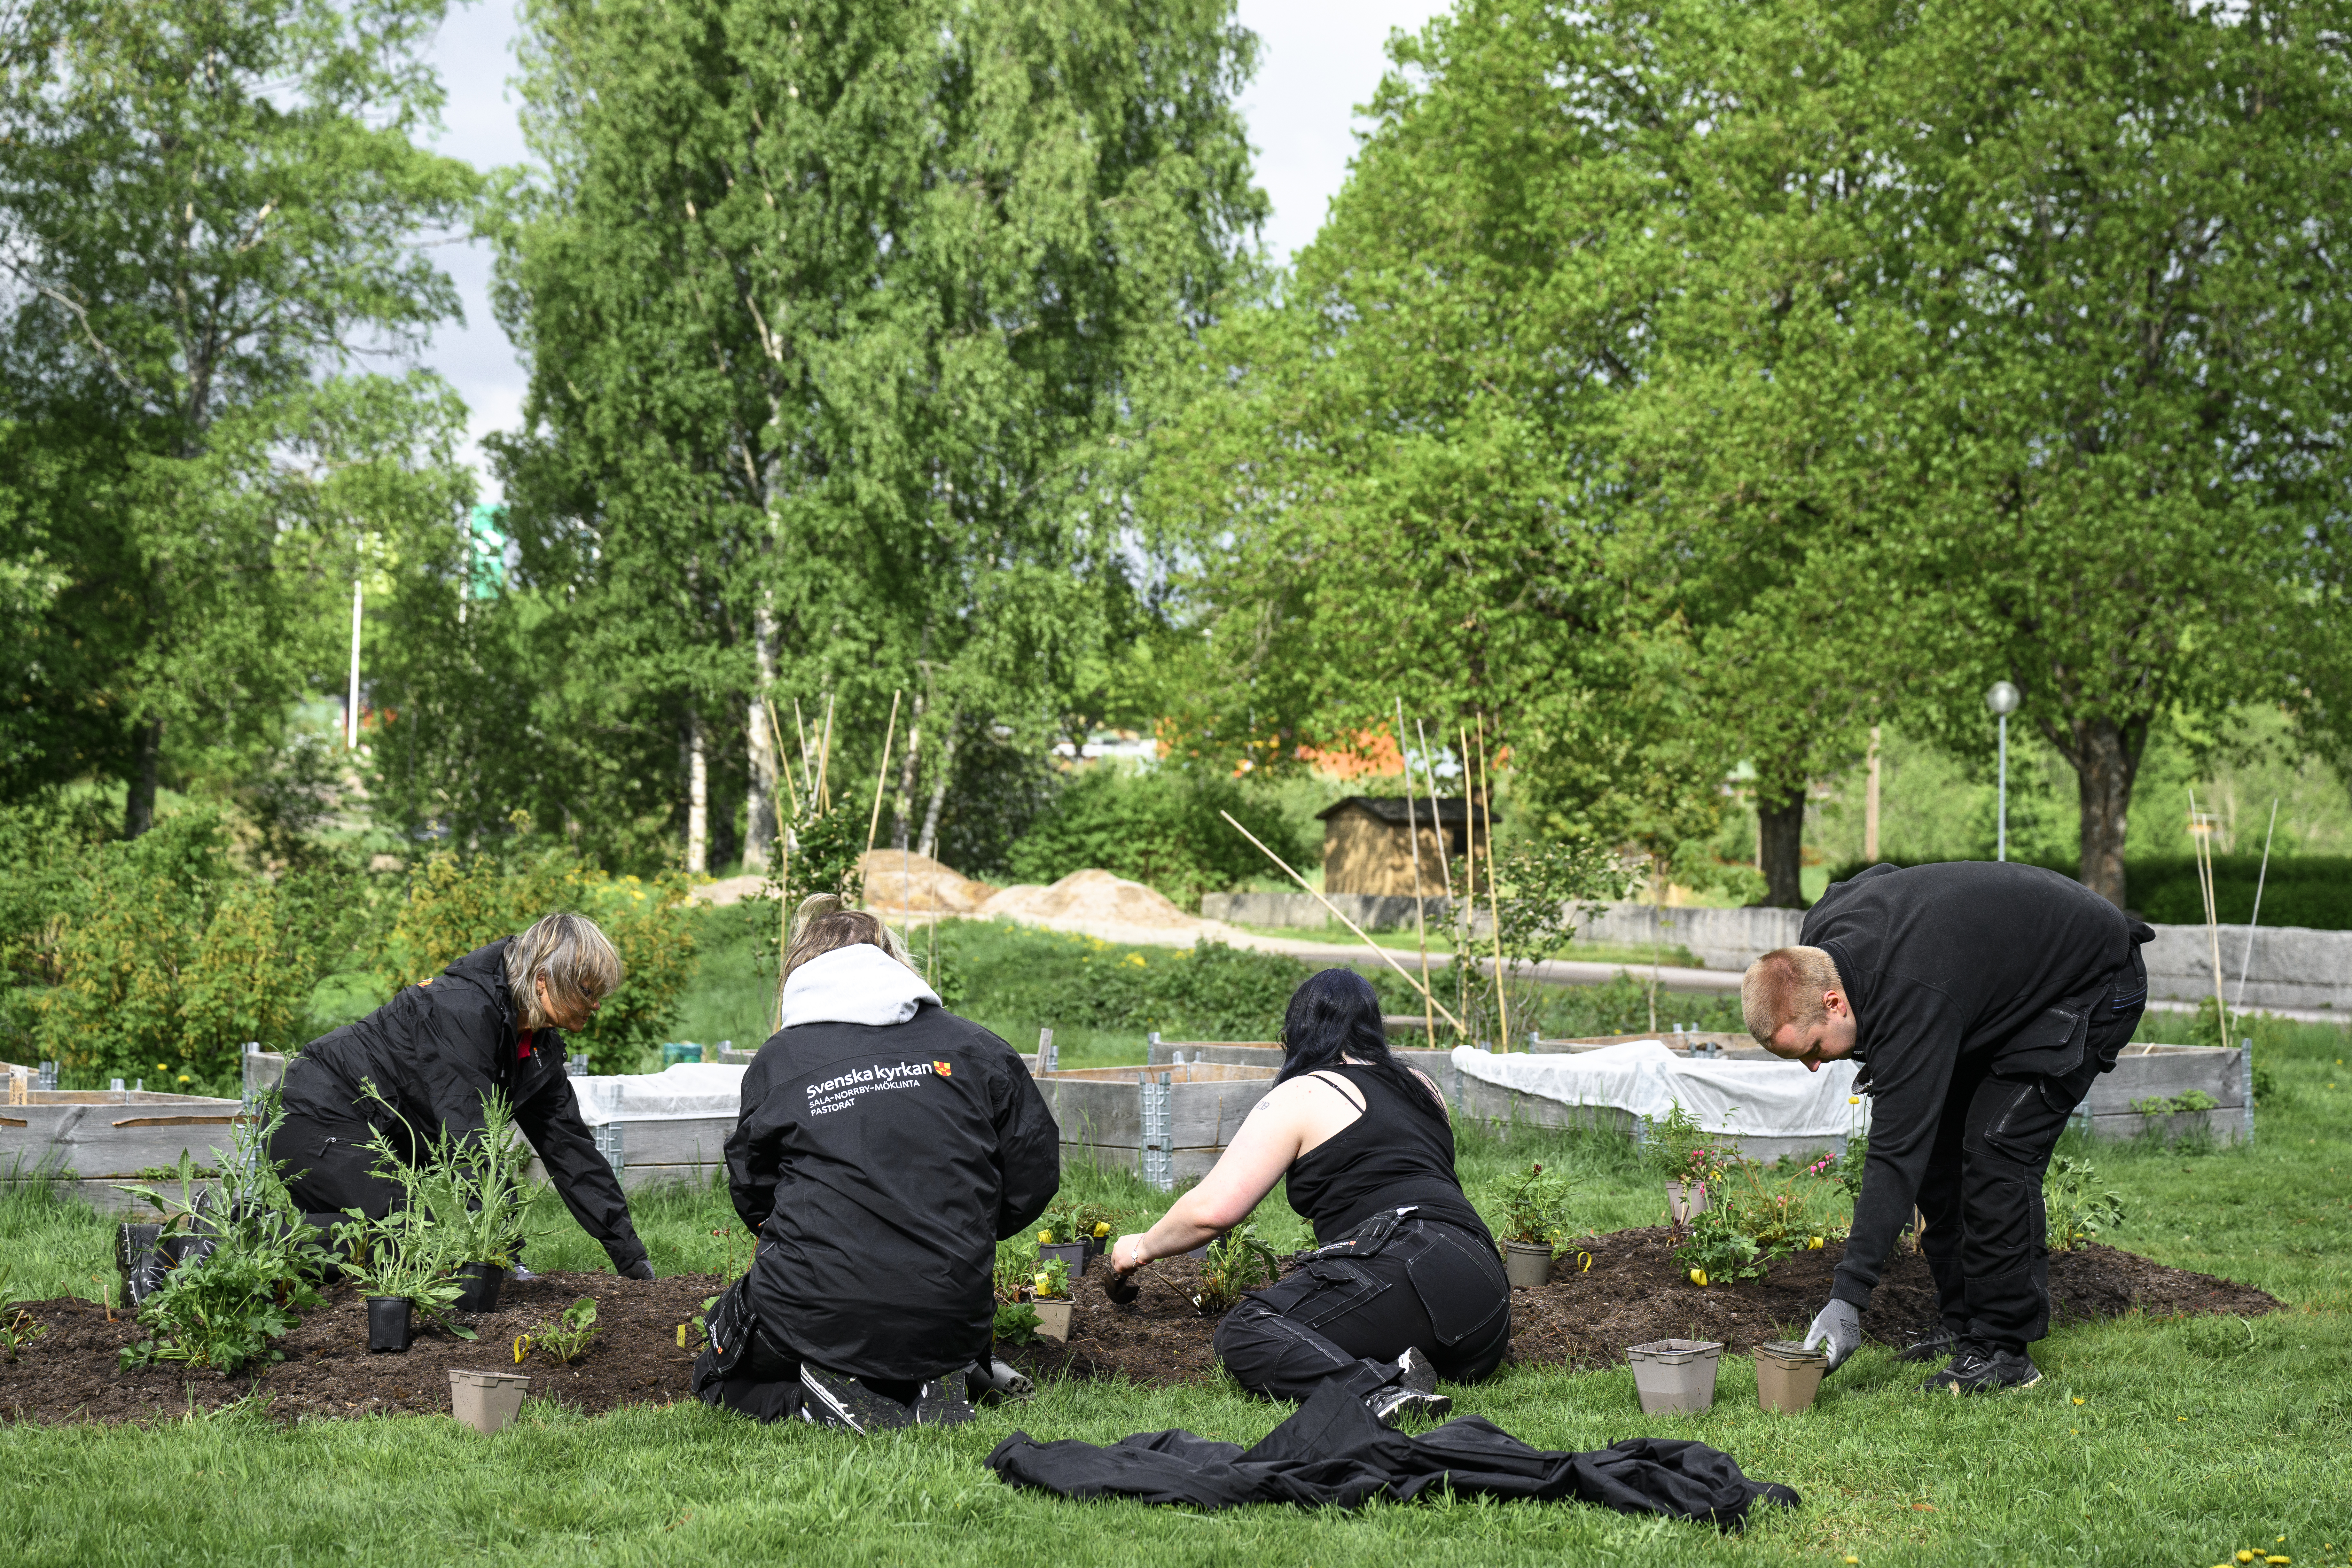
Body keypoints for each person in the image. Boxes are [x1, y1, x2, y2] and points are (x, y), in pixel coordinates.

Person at [1743, 860, 2152, 1393]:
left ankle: (2004, 1352)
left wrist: (1848, 1298)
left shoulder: (1910, 992)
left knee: (1996, 1150)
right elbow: (1879, 876)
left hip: (2090, 981)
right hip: (1994, 988)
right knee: (1939, 1158)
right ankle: (1964, 1327)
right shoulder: (1823, 944)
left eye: (1814, 1049)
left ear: (1833, 1002)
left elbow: (1893, 1157)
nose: (1816, 1066)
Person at [699, 899, 1060, 1432]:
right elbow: (1033, 1174)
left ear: (802, 972)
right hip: (952, 1311)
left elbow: (754, 1190)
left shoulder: (782, 1059)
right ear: (893, 963)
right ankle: (940, 1380)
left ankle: (821, 1403)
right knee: (900, 1328)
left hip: (818, 1309)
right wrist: (961, 1226)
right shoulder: (975, 1047)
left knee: (719, 1364)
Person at [1108, 968, 1510, 1426]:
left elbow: (1212, 1212)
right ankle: (1401, 1365)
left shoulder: (1305, 1091)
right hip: (1485, 1299)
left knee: (1246, 1331)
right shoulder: (1422, 1086)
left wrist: (1139, 1248)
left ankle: (1378, 1390)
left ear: (1299, 1029)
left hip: (1409, 1266)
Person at [271, 912, 654, 1280]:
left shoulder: (535, 1046)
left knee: (387, 1256)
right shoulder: (462, 1011)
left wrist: (632, 1260)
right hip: (315, 1116)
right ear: (544, 981)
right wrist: (505, 1255)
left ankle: (277, 1257)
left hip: (360, 1131)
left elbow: (572, 1153)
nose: (597, 1005)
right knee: (406, 1242)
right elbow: (469, 1139)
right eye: (589, 992)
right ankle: (242, 1238)